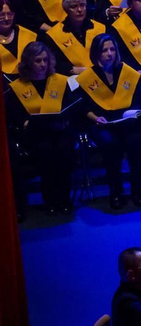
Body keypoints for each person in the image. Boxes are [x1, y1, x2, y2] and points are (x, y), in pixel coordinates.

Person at [77, 33, 141, 210]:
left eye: (112, 49)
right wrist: (95, 118)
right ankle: (116, 192)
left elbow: (139, 99)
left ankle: (137, 191)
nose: (109, 54)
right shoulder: (88, 77)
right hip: (101, 124)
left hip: (126, 123)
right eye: (104, 50)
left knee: (137, 142)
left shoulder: (127, 72)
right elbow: (82, 106)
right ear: (96, 53)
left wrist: (133, 113)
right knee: (111, 145)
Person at [6, 43, 76, 215]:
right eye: (38, 61)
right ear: (29, 62)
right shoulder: (17, 87)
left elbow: (70, 107)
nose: (43, 64)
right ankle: (51, 200)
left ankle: (64, 199)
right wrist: (24, 123)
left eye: (45, 60)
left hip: (59, 131)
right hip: (34, 136)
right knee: (46, 154)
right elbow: (14, 117)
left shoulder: (59, 81)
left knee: (64, 152)